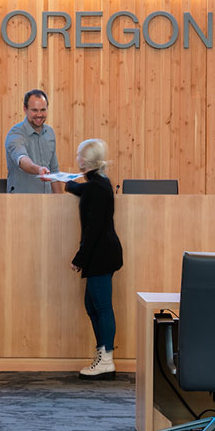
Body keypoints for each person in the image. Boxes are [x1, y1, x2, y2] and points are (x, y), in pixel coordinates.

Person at [50, 137, 124, 378]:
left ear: (84, 161)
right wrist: (61, 179)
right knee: (92, 305)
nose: (76, 158)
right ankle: (102, 354)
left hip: (101, 254)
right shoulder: (98, 184)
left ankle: (107, 359)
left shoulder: (97, 188)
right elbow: (81, 189)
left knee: (102, 307)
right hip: (100, 254)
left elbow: (93, 230)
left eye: (79, 155)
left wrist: (78, 258)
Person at [4, 88, 62, 193]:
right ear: (25, 109)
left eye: (43, 110)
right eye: (34, 110)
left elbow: (54, 171)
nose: (39, 115)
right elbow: (22, 160)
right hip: (21, 204)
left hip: (47, 204)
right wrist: (38, 170)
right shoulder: (15, 134)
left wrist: (61, 204)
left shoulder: (50, 133)